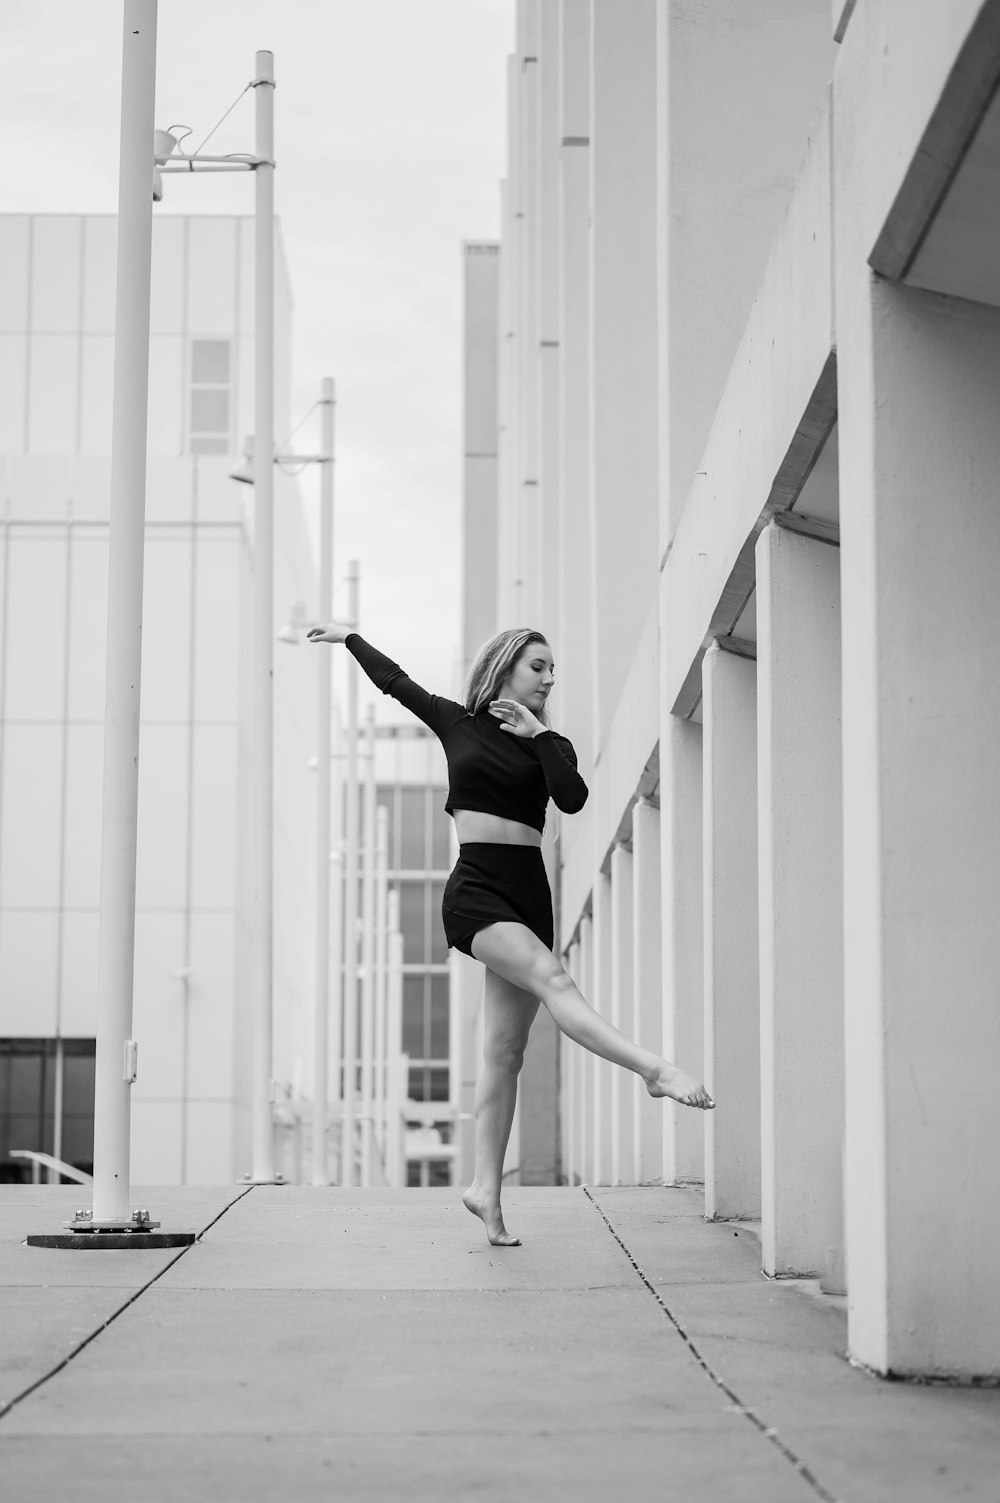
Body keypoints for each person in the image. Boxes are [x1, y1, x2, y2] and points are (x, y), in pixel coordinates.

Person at [308, 622, 714, 1246]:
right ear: (505, 667)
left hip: (530, 894)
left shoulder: (552, 744)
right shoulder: (456, 723)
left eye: (553, 670)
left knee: (505, 1054)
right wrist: (351, 638)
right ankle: (652, 1069)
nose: (550, 678)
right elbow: (396, 683)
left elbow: (572, 800)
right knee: (554, 980)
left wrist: (542, 734)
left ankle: (485, 1191)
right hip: (476, 891)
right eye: (539, 666)